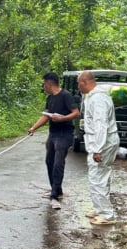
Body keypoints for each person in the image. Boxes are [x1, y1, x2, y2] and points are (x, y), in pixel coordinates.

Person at [27, 72, 80, 210]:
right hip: (53, 133)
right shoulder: (50, 98)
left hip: (65, 134)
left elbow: (76, 113)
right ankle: (57, 189)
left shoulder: (66, 96)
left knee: (58, 163)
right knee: (49, 161)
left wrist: (62, 118)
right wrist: (34, 128)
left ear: (49, 83)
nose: (43, 86)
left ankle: (54, 196)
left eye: (44, 84)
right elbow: (45, 116)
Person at [76, 70, 120, 225]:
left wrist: (98, 149)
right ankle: (99, 207)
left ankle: (106, 215)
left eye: (78, 83)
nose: (78, 87)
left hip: (103, 142)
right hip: (101, 141)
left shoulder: (98, 99)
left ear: (84, 82)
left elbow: (100, 125)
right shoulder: (92, 97)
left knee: (97, 177)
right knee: (101, 175)